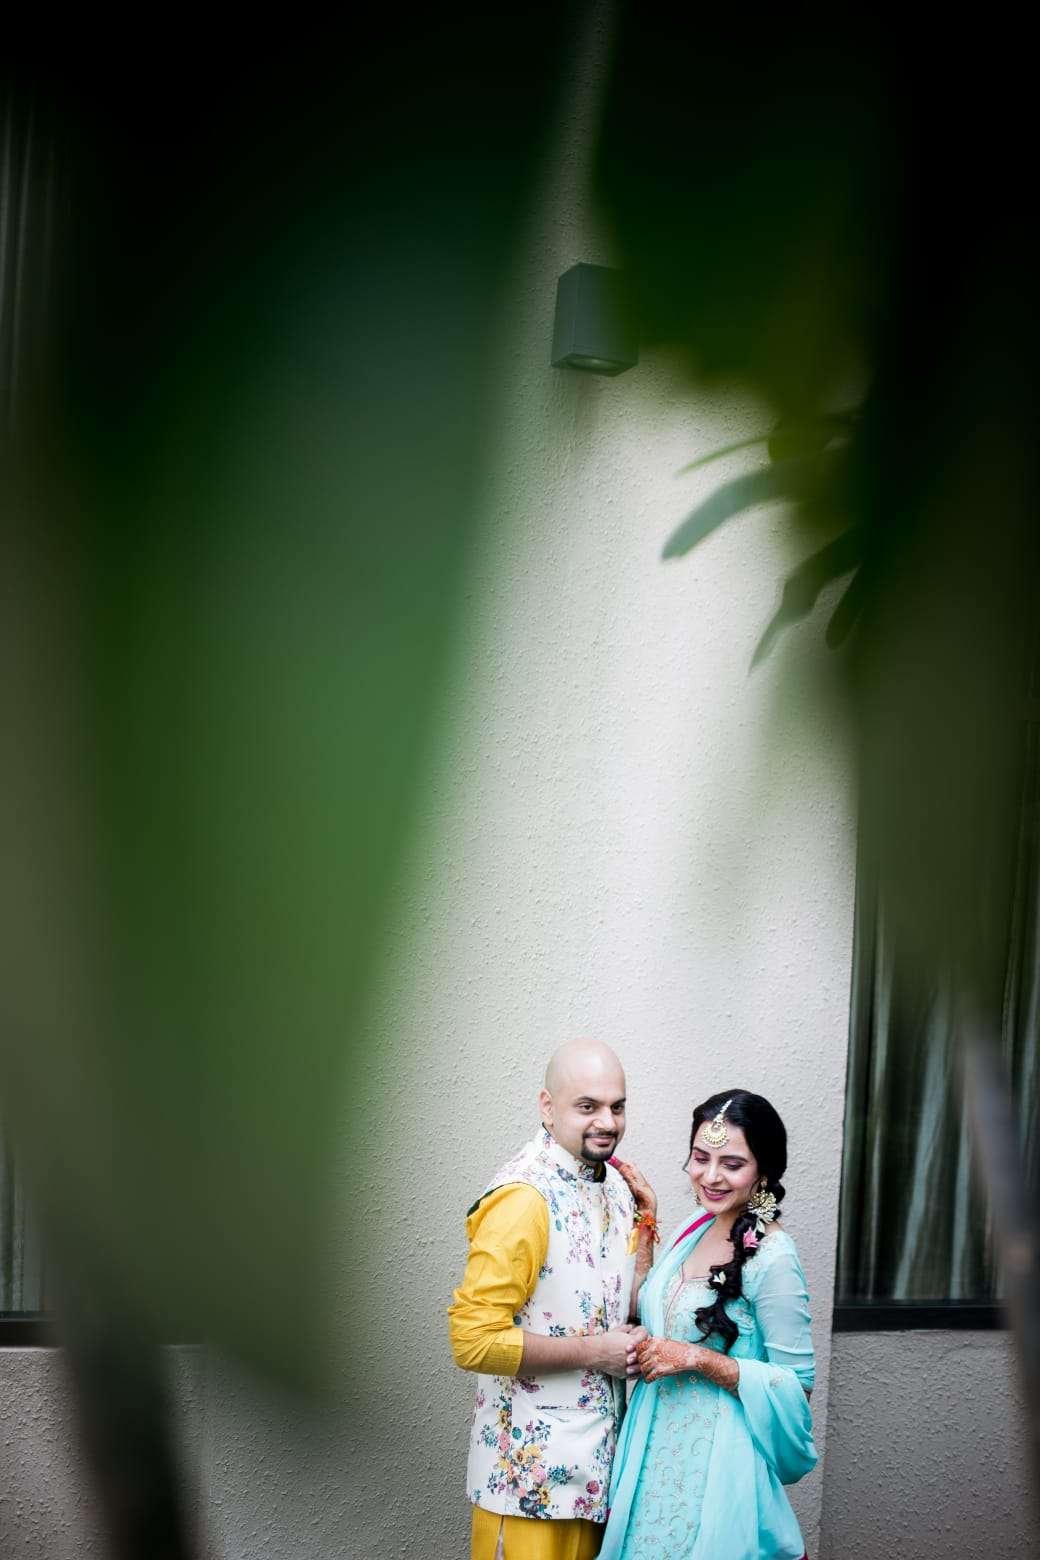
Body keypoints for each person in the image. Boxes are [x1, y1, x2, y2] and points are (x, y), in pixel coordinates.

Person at [448, 1039, 659, 1560]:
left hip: (599, 1478)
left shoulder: (615, 1186)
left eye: (617, 1106)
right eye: (587, 1106)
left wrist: (648, 1225)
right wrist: (595, 1352)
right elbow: (473, 1342)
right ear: (547, 1106)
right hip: (527, 1486)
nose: (607, 1122)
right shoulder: (523, 1198)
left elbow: (622, 1310)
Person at [599, 1090, 817, 1560]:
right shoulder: (696, 1226)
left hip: (720, 1468)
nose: (711, 1176)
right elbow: (654, 1308)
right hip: (653, 1453)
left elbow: (798, 1387)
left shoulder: (774, 1256)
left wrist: (700, 1359)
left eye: (732, 1164)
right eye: (701, 1158)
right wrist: (647, 1219)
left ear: (764, 1171)